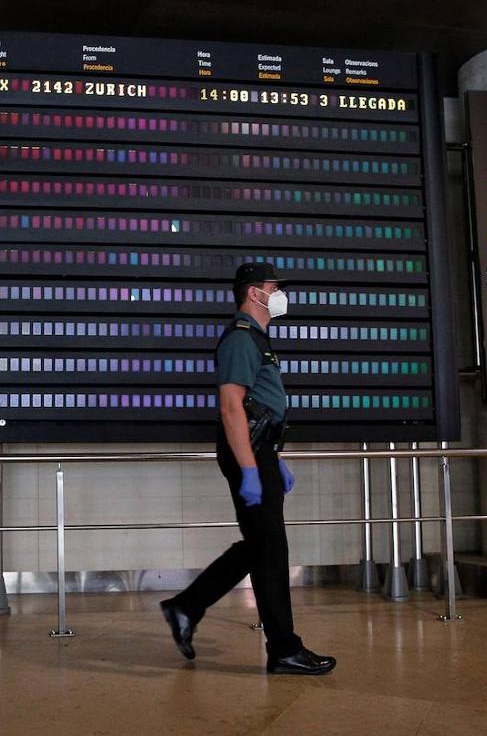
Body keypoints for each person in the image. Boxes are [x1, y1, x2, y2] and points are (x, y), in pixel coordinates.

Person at [159, 262, 336, 675]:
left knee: (263, 546)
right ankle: (283, 648)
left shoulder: (257, 339)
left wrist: (273, 457)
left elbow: (261, 408)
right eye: (274, 286)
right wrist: (251, 468)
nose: (280, 294)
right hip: (250, 455)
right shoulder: (241, 339)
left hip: (261, 452)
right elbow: (231, 406)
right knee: (269, 548)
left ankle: (187, 607)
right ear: (255, 293)